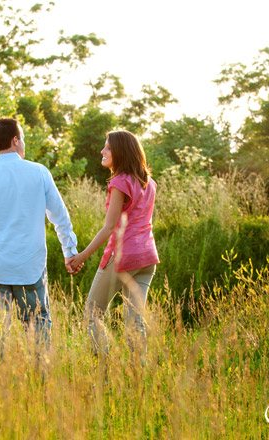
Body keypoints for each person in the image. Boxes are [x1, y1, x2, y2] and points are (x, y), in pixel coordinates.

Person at [0, 117, 78, 344]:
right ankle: (41, 378)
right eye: (22, 138)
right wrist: (69, 251)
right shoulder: (39, 173)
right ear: (15, 140)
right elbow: (60, 216)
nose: (23, 144)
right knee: (38, 323)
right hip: (30, 267)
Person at [67, 130, 159, 357]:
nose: (102, 151)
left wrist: (81, 256)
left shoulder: (119, 182)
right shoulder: (149, 183)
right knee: (135, 322)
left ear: (120, 151)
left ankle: (104, 374)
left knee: (92, 313)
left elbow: (109, 228)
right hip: (147, 258)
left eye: (107, 148)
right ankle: (139, 379)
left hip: (123, 256)